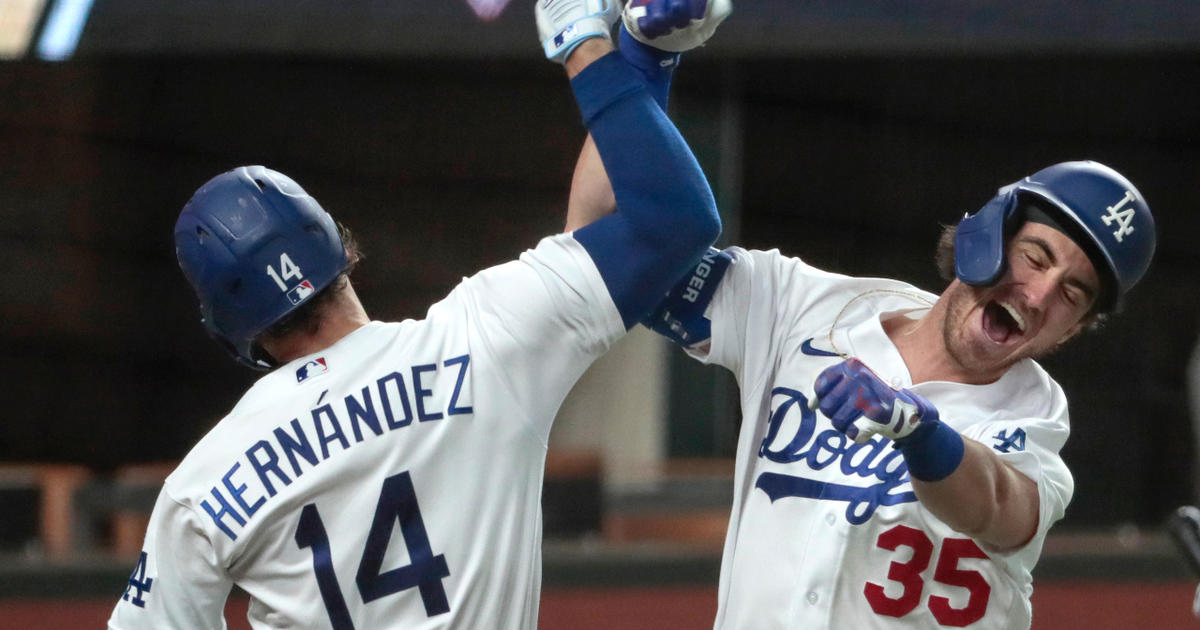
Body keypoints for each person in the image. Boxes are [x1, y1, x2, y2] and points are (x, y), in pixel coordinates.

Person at [106, 2, 720, 628]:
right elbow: (666, 221)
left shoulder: (203, 481)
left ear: (236, 331)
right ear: (337, 245)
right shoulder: (485, 339)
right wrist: (616, 51)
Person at [568, 4, 1158, 629]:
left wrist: (922, 436)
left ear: (1075, 329)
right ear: (989, 235)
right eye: (1036, 256)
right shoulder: (799, 304)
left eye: (1072, 294)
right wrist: (643, 61)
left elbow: (998, 505)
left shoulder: (1033, 418)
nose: (1039, 294)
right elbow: (605, 250)